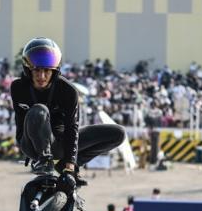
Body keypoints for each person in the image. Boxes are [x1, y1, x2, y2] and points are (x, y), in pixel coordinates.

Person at [11, 37, 125, 188]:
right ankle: (45, 162)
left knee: (118, 133)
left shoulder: (68, 90)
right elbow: (20, 126)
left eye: (47, 71)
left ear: (54, 71)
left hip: (59, 143)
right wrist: (32, 153)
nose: (42, 76)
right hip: (32, 144)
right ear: (28, 69)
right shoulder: (18, 87)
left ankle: (66, 164)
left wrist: (70, 165)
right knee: (39, 110)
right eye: (37, 70)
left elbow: (72, 128)